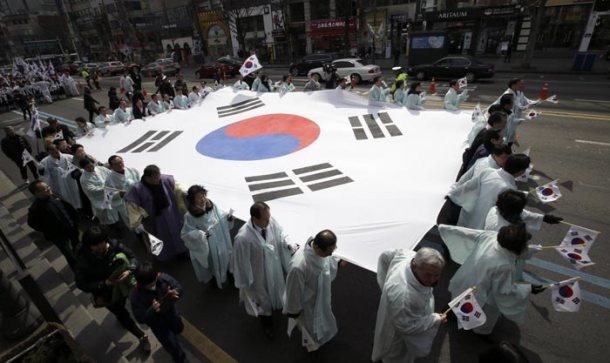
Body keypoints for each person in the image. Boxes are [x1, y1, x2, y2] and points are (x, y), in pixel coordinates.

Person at [439, 223, 547, 335]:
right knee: (475, 312)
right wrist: (529, 289)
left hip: (465, 278)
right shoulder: (504, 265)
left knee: (458, 299)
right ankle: (477, 332)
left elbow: (466, 232)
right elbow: (504, 291)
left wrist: (445, 228)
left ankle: (450, 312)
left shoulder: (491, 236)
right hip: (479, 292)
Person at [75, 226, 151, 352]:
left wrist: (130, 270)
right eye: (96, 245)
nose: (101, 247)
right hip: (107, 293)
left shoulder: (114, 245)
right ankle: (142, 336)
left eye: (102, 242)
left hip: (125, 284)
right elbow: (81, 284)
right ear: (88, 246)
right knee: (122, 315)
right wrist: (103, 284)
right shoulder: (83, 261)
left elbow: (132, 257)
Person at [232, 201, 298, 338]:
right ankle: (267, 325)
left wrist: (288, 243)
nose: (269, 221)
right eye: (265, 219)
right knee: (261, 300)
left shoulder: (270, 222)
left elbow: (281, 233)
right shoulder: (243, 238)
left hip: (274, 268)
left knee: (278, 289)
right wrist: (245, 283)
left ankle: (278, 307)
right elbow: (240, 262)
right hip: (257, 276)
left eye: (269, 217)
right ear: (254, 219)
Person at [372, 248, 446, 363]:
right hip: (396, 335)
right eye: (428, 275)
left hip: (394, 312)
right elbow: (406, 326)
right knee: (394, 356)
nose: (432, 280)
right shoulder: (404, 295)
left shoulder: (406, 255)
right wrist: (435, 319)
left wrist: (385, 285)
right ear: (415, 266)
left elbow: (385, 255)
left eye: (436, 275)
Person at [284, 230, 342, 352]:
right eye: (328, 252)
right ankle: (312, 346)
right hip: (308, 302)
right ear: (316, 247)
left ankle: (319, 339)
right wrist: (294, 310)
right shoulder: (299, 266)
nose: (330, 255)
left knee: (324, 315)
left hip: (321, 296)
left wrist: (338, 261)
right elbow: (293, 290)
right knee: (310, 326)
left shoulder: (322, 251)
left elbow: (328, 260)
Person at [448, 154, 531, 229]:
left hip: (469, 214)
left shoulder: (488, 171)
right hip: (483, 224)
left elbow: (467, 187)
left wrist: (453, 193)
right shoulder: (509, 188)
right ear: (521, 171)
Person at [124, 165, 187, 261]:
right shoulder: (138, 189)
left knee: (177, 234)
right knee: (161, 238)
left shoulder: (165, 179)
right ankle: (165, 257)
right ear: (147, 178)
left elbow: (177, 186)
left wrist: (183, 191)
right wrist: (137, 223)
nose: (158, 180)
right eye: (154, 178)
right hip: (154, 220)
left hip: (171, 214)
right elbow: (133, 206)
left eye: (158, 176)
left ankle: (181, 252)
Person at [130, 261, 185, 362]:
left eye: (154, 282)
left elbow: (178, 287)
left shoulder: (162, 278)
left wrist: (175, 293)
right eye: (149, 285)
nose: (153, 286)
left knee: (179, 329)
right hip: (159, 326)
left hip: (172, 314)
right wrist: (152, 310)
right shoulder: (136, 296)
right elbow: (140, 318)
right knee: (172, 346)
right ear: (141, 284)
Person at [181, 185, 234, 288]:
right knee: (213, 263)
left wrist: (228, 218)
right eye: (199, 198)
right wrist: (201, 235)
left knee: (226, 258)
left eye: (203, 196)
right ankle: (214, 280)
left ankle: (231, 277)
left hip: (221, 239)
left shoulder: (211, 205)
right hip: (208, 244)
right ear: (192, 200)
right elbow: (186, 233)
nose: (203, 199)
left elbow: (221, 215)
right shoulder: (189, 216)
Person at [27, 180, 79, 269]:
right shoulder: (36, 208)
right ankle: (78, 271)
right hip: (58, 236)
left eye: (47, 186)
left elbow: (67, 207)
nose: (48, 189)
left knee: (78, 248)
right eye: (45, 189)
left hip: (71, 227)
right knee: (69, 254)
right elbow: (32, 223)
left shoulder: (54, 195)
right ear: (37, 193)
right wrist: (49, 229)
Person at [38, 144, 82, 210]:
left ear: (58, 149)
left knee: (75, 194)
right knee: (64, 197)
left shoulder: (68, 157)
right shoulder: (44, 162)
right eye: (51, 151)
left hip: (70, 180)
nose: (54, 153)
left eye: (56, 150)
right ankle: (70, 209)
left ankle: (79, 208)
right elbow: (44, 176)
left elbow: (78, 166)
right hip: (58, 184)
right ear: (49, 152)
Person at [79, 158, 120, 227]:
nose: (91, 168)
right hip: (100, 198)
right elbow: (91, 190)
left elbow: (111, 174)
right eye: (88, 167)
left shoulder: (101, 169)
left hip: (111, 192)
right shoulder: (84, 179)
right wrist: (105, 188)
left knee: (116, 210)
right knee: (108, 216)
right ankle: (113, 227)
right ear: (83, 168)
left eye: (92, 165)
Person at [105, 155, 141, 226]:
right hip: (125, 204)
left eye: (120, 162)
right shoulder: (109, 179)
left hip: (139, 199)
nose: (120, 165)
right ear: (111, 166)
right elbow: (109, 196)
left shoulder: (132, 170)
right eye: (116, 164)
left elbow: (140, 181)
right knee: (136, 225)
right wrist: (119, 194)